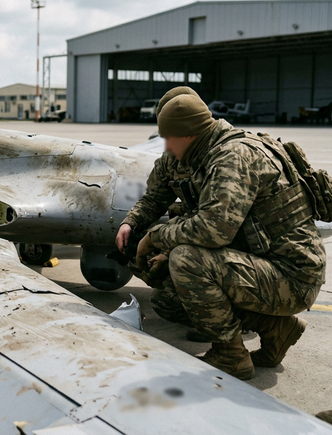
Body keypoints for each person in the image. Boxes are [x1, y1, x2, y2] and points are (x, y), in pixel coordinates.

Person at [115, 89, 325, 380]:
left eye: (168, 137)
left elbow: (214, 230)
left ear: (187, 133)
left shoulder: (234, 157)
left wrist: (156, 237)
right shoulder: (189, 152)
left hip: (292, 274)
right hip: (257, 262)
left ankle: (231, 356)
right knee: (169, 300)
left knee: (186, 261)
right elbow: (155, 196)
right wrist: (132, 223)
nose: (164, 145)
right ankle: (277, 329)